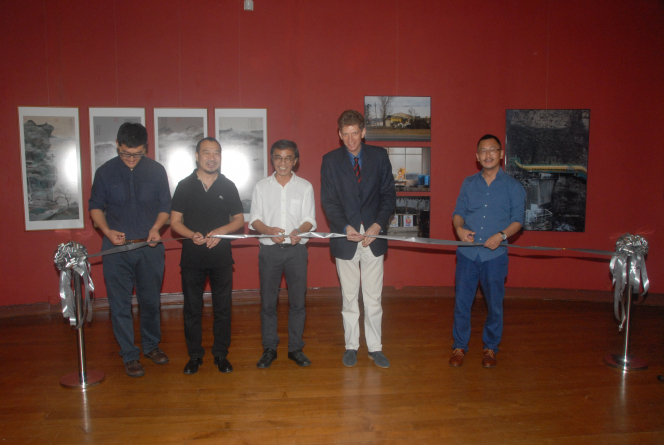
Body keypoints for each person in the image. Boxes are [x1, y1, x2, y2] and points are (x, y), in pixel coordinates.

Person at [89, 122, 171, 377]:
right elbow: (95, 208)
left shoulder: (157, 171)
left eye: (137, 153)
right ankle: (129, 354)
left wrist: (157, 227)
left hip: (149, 247)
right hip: (116, 250)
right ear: (117, 145)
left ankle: (151, 346)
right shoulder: (104, 172)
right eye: (126, 153)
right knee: (120, 304)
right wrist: (106, 231)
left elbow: (165, 207)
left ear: (145, 148)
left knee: (150, 301)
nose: (131, 159)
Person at [320, 110, 396, 369]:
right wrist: (344, 227)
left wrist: (377, 225)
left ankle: (375, 348)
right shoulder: (329, 161)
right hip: (346, 238)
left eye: (355, 133)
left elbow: (388, 197)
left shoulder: (379, 156)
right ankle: (351, 345)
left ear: (363, 132)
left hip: (373, 238)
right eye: (346, 134)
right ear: (339, 135)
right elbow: (328, 202)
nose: (351, 139)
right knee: (350, 297)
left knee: (373, 297)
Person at [449, 134, 526, 368]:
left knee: (494, 305)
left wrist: (501, 236)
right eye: (483, 151)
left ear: (501, 154)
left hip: (495, 256)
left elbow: (518, 221)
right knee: (462, 303)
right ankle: (459, 346)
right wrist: (459, 228)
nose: (488, 154)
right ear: (477, 156)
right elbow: (458, 212)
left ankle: (490, 348)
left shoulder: (513, 186)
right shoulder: (468, 183)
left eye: (493, 150)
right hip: (468, 254)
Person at [170, 137, 244, 375]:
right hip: (192, 257)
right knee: (192, 308)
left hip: (221, 257)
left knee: (223, 308)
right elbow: (175, 222)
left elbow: (239, 220)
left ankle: (221, 354)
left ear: (221, 157)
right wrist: (192, 235)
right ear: (197, 156)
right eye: (206, 153)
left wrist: (221, 232)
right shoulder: (184, 185)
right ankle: (194, 355)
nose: (212, 158)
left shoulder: (228, 185)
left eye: (216, 153)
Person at [248, 140, 317, 368]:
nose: (283, 162)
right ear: (272, 159)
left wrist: (300, 231)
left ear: (295, 161)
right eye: (278, 157)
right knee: (268, 303)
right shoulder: (261, 186)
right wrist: (268, 230)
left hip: (297, 252)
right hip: (269, 251)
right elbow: (254, 220)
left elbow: (309, 220)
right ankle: (269, 348)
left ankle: (295, 348)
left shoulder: (305, 186)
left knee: (298, 303)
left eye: (288, 158)